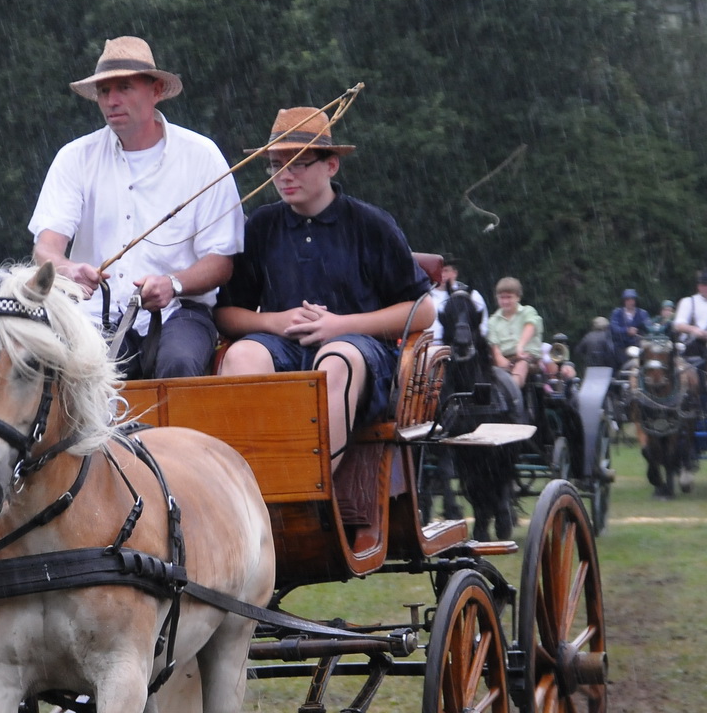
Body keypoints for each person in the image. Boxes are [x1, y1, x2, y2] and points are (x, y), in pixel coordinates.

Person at [215, 107, 434, 460]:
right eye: (274, 164)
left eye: (297, 163)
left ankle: (312, 497)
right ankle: (255, 486)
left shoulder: (370, 224)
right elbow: (225, 314)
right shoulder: (261, 226)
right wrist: (273, 321)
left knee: (336, 359)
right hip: (280, 349)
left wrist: (340, 326)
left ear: (331, 165)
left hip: (361, 356)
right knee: (242, 355)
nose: (284, 175)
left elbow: (422, 309)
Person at [31, 36, 242, 378]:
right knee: (75, 373)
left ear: (156, 90)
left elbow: (221, 263)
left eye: (124, 87)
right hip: (95, 314)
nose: (112, 100)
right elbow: (46, 248)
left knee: (178, 362)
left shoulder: (202, 156)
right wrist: (68, 270)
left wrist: (172, 284)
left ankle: (178, 435)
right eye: (103, 91)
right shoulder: (74, 158)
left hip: (181, 310)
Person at [487, 277, 544, 389]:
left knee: (522, 363)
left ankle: (513, 394)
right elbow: (495, 349)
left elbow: (530, 326)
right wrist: (503, 362)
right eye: (502, 298)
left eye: (509, 297)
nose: (505, 301)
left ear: (518, 297)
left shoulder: (528, 311)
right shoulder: (492, 321)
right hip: (505, 359)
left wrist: (520, 346)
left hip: (528, 357)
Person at [427, 257, 487, 343]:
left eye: (446, 270)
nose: (442, 274)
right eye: (439, 271)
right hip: (429, 350)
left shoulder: (472, 295)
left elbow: (483, 324)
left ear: (455, 273)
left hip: (464, 348)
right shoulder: (424, 297)